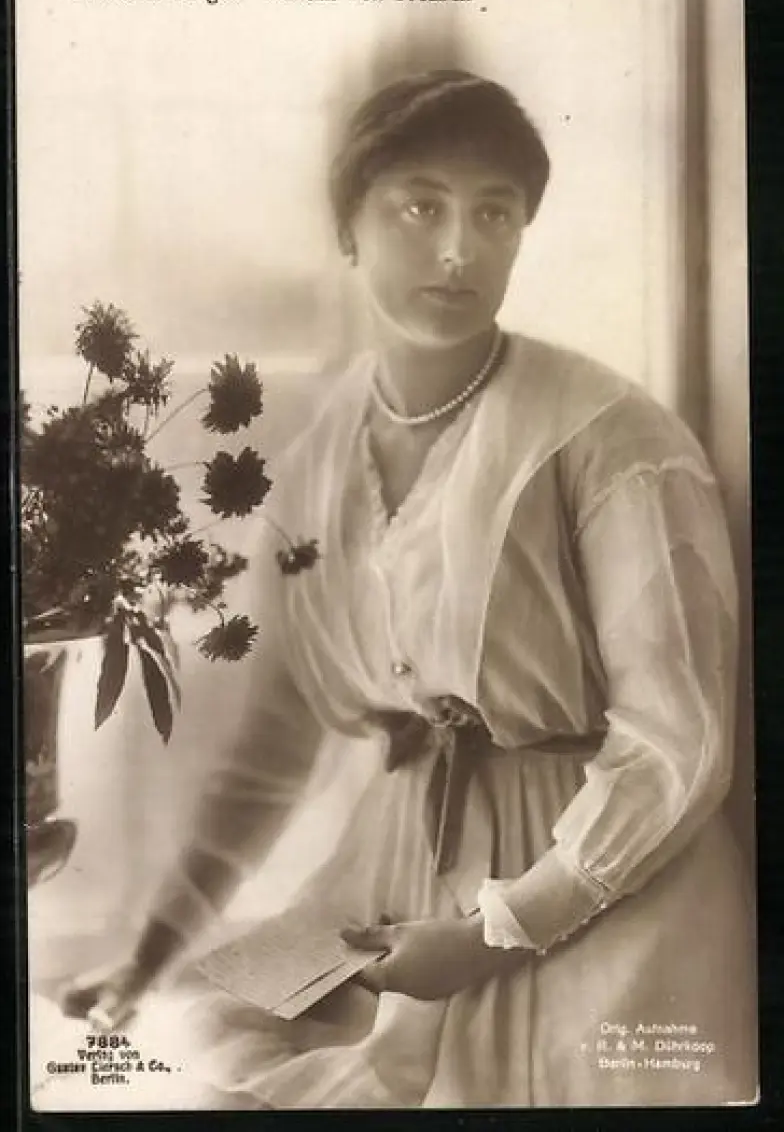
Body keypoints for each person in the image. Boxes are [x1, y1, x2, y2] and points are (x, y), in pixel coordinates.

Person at [61, 69, 756, 1108]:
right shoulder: (322, 451)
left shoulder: (611, 440)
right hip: (395, 875)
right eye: (420, 207)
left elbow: (675, 747)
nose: (458, 249)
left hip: (593, 893)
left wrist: (488, 936)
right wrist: (150, 953)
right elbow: (274, 739)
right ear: (348, 229)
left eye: (494, 213)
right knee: (204, 1061)